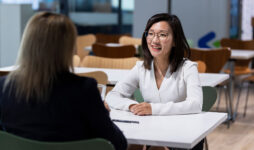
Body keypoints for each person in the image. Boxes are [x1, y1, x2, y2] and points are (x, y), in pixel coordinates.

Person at [0, 12, 127, 150]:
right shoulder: (84, 90)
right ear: (69, 49)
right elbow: (118, 144)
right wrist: (104, 114)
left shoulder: (4, 88)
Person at [105, 13, 203, 150]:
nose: (154, 40)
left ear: (175, 40)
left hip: (183, 137)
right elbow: (112, 96)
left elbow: (196, 104)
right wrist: (132, 106)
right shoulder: (141, 67)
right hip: (153, 135)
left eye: (162, 35)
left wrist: (152, 109)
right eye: (150, 34)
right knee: (129, 144)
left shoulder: (188, 67)